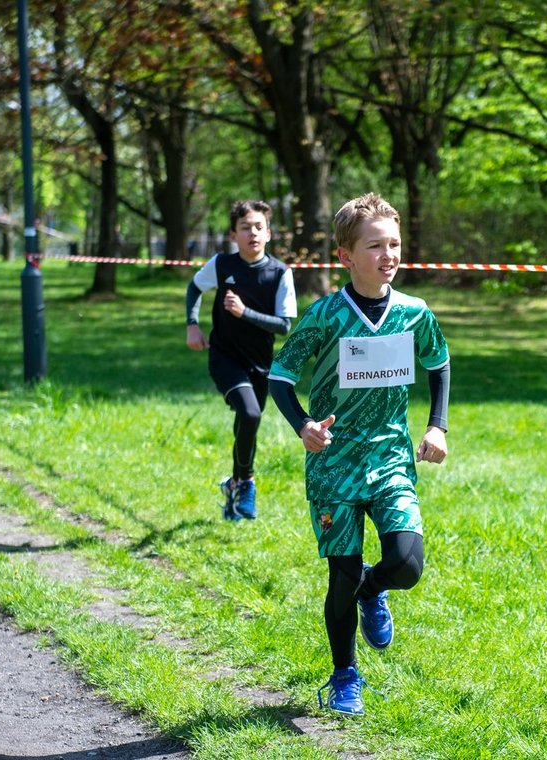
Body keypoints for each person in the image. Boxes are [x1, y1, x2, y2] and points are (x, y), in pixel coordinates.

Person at [268, 193, 451, 716]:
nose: (388, 254)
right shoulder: (326, 315)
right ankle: (345, 674)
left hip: (391, 456)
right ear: (347, 256)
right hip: (333, 463)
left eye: (394, 243)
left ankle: (375, 589)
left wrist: (437, 424)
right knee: (340, 575)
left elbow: (438, 363)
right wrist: (302, 424)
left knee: (406, 563)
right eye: (375, 245)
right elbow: (281, 375)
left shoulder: (414, 313)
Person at [186, 200, 297, 520]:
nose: (253, 233)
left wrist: (244, 312)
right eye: (245, 228)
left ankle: (233, 484)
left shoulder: (280, 274)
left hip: (260, 364)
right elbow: (194, 289)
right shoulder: (221, 264)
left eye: (259, 227)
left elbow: (284, 325)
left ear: (269, 234)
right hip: (224, 357)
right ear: (234, 234)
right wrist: (192, 325)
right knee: (249, 413)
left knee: (247, 420)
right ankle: (246, 483)